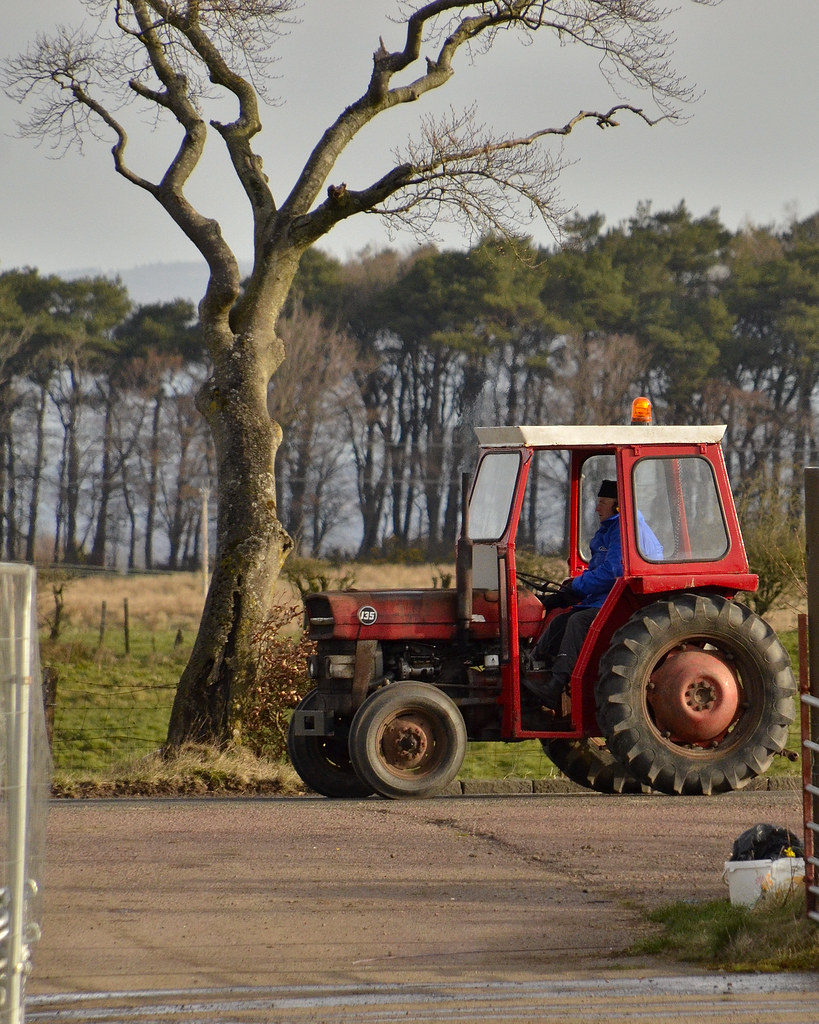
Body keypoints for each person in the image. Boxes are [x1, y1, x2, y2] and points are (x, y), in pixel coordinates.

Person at [524, 479, 626, 715]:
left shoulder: (623, 529)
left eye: (602, 502)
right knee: (559, 619)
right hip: (601, 599)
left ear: (618, 505)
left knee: (577, 622)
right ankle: (533, 667)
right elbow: (596, 570)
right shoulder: (608, 530)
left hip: (615, 602)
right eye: (598, 502)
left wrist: (578, 586)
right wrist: (570, 589)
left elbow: (613, 572)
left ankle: (555, 685)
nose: (597, 508)